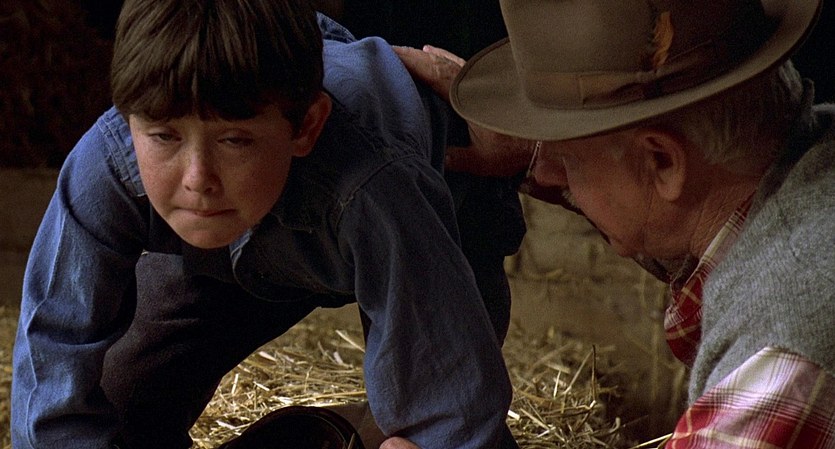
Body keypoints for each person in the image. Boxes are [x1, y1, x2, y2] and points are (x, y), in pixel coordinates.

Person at [11, 1, 526, 448]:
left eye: (234, 140)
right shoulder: (106, 165)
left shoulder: (374, 181)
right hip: (228, 244)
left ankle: (354, 430)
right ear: (130, 120)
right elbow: (54, 360)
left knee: (431, 418)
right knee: (116, 406)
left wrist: (430, 433)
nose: (198, 179)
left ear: (306, 126)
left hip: (428, 219)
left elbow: (453, 418)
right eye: (164, 136)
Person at [395, 0, 835, 447]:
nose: (546, 171)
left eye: (568, 158)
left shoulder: (785, 354)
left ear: (662, 160)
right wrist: (534, 151)